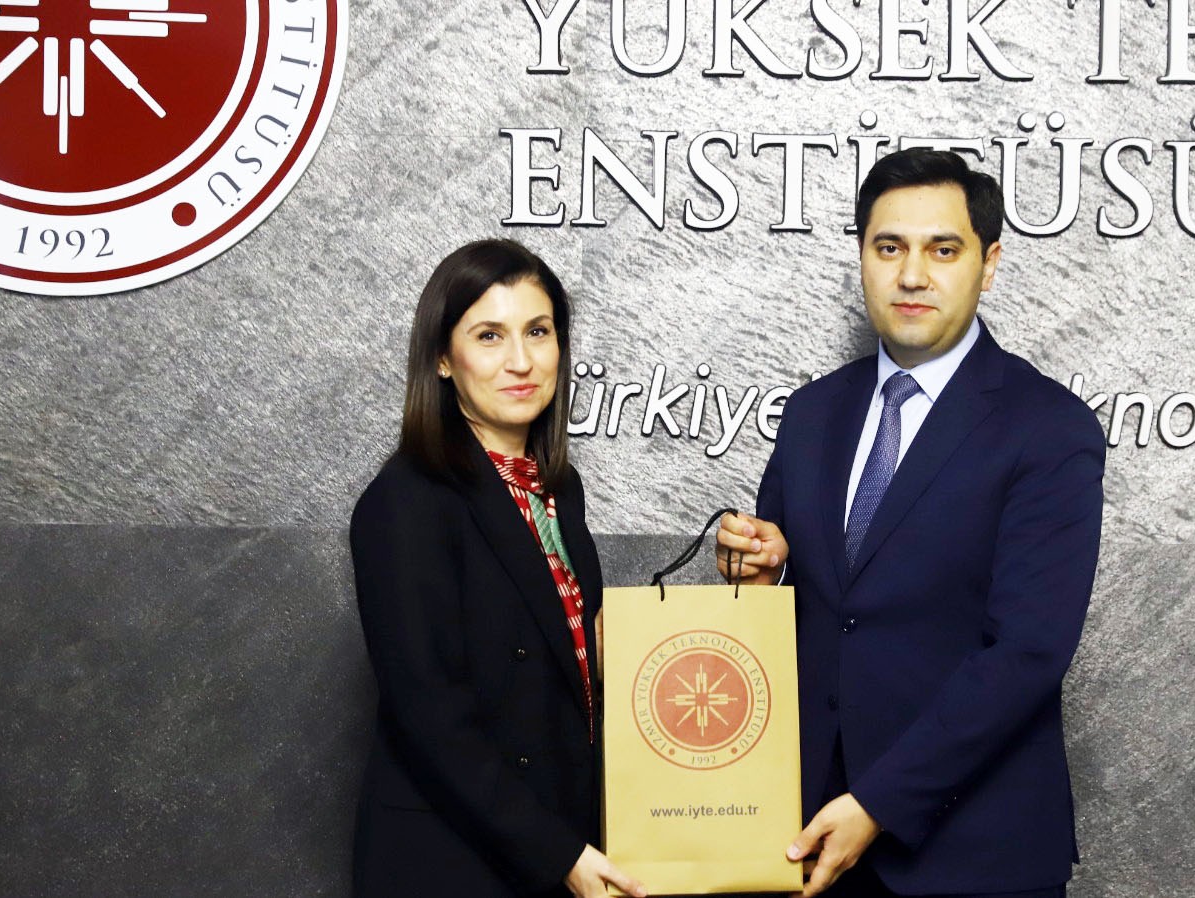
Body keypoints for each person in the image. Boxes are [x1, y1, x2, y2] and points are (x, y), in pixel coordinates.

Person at [715, 149, 1105, 898]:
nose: (913, 275)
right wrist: (763, 578)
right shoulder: (812, 413)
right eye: (889, 247)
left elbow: (1027, 652)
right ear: (862, 257)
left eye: (943, 249)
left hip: (972, 857)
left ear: (989, 265)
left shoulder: (1050, 427)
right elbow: (809, 617)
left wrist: (877, 804)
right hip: (807, 842)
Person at [349, 239, 645, 898]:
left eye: (538, 332)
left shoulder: (555, 489)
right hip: (451, 861)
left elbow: (546, 660)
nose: (520, 360)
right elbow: (429, 715)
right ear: (442, 358)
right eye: (489, 335)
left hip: (550, 836)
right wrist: (559, 852)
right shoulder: (407, 500)